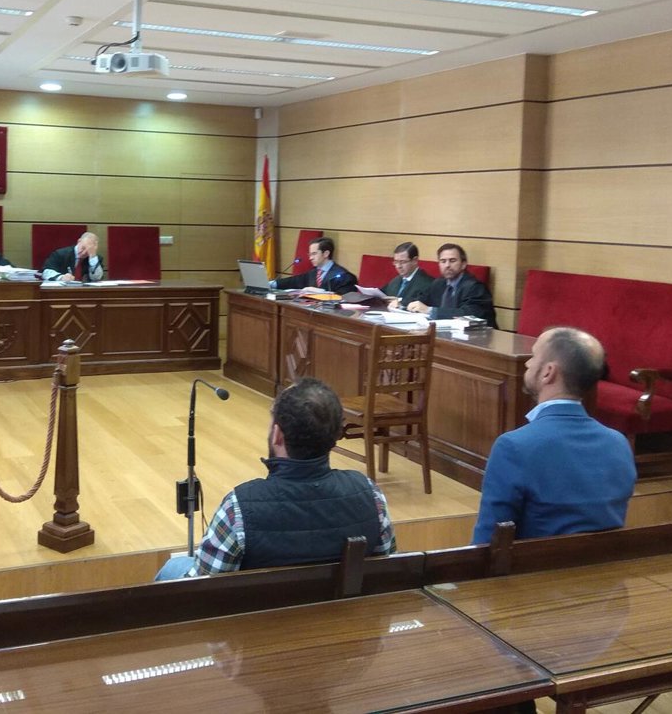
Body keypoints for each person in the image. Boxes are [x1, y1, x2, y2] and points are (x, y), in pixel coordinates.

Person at [157, 377, 392, 579]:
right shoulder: (370, 494)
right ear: (334, 436)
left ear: (277, 435)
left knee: (172, 568)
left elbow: (199, 591)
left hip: (260, 618)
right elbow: (387, 571)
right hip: (340, 613)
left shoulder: (238, 507)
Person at [472, 326, 636, 544]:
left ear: (548, 372)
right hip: (608, 563)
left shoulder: (513, 446)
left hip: (535, 565)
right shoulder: (618, 442)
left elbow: (487, 541)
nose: (528, 364)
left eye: (533, 356)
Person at [406, 243, 497, 327]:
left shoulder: (475, 287)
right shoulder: (438, 283)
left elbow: (468, 314)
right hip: (443, 333)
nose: (447, 265)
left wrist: (430, 310)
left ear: (463, 264)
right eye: (443, 261)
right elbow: (420, 299)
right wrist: (403, 304)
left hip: (478, 336)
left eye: (452, 261)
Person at [271, 237, 356, 294]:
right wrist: (272, 284)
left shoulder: (344, 276)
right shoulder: (313, 272)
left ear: (326, 254)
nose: (310, 258)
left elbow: (345, 299)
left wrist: (321, 292)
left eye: (314, 254)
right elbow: (294, 281)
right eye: (310, 254)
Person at [382, 241, 433, 306]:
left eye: (402, 262)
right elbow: (382, 293)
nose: (398, 266)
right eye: (396, 262)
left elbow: (419, 304)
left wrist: (400, 302)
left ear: (415, 260)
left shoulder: (427, 284)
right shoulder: (395, 280)